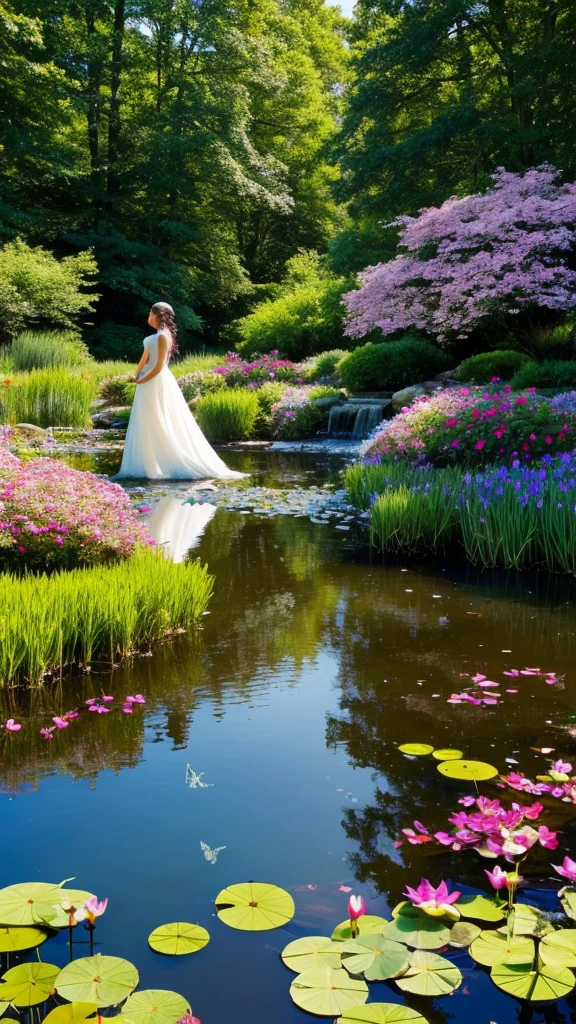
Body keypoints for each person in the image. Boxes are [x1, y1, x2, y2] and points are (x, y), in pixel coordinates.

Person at [113, 302, 244, 480]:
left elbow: (159, 366)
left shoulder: (162, 336)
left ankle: (165, 462)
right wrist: (135, 376)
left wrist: (142, 380)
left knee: (157, 419)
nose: (148, 317)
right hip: (146, 381)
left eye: (150, 314)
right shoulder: (157, 335)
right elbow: (145, 357)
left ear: (156, 315)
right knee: (146, 420)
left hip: (154, 381)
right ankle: (147, 464)